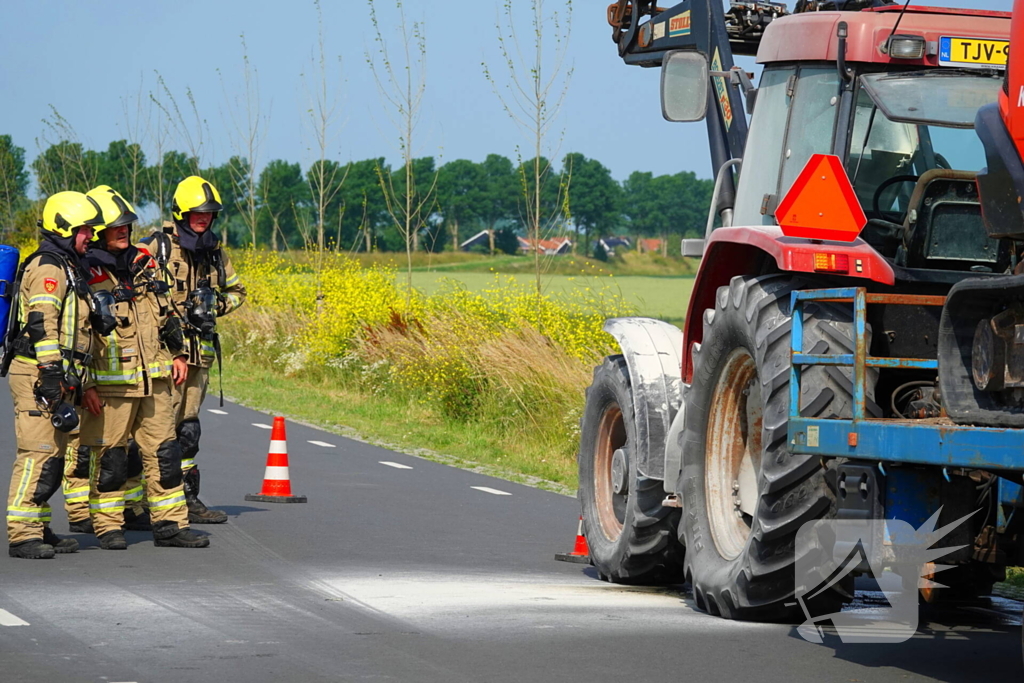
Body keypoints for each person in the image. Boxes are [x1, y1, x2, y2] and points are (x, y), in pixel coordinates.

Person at [78, 185, 207, 550]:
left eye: (127, 225)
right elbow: (79, 332)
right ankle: (107, 526)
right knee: (111, 459)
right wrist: (85, 383)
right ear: (99, 229)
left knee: (165, 454)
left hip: (155, 381)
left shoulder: (144, 263)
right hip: (110, 388)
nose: (124, 230)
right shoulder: (86, 272)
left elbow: (167, 313)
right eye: (116, 226)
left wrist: (179, 354)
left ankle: (170, 525)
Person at [139, 175, 246, 524]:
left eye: (209, 213)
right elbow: (133, 292)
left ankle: (186, 498)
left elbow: (238, 292)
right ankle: (143, 502)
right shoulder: (157, 248)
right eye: (197, 213)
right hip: (164, 355)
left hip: (199, 356)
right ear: (181, 213)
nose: (204, 218)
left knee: (188, 429)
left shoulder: (216, 252)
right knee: (158, 429)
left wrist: (213, 306)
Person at [3, 191, 104, 559]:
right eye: (84, 229)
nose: (90, 236)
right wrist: (49, 375)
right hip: (38, 374)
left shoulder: (67, 264)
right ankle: (22, 533)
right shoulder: (49, 268)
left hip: (59, 378)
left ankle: (39, 524)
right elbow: (41, 324)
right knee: (37, 453)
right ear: (63, 228)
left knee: (54, 457)